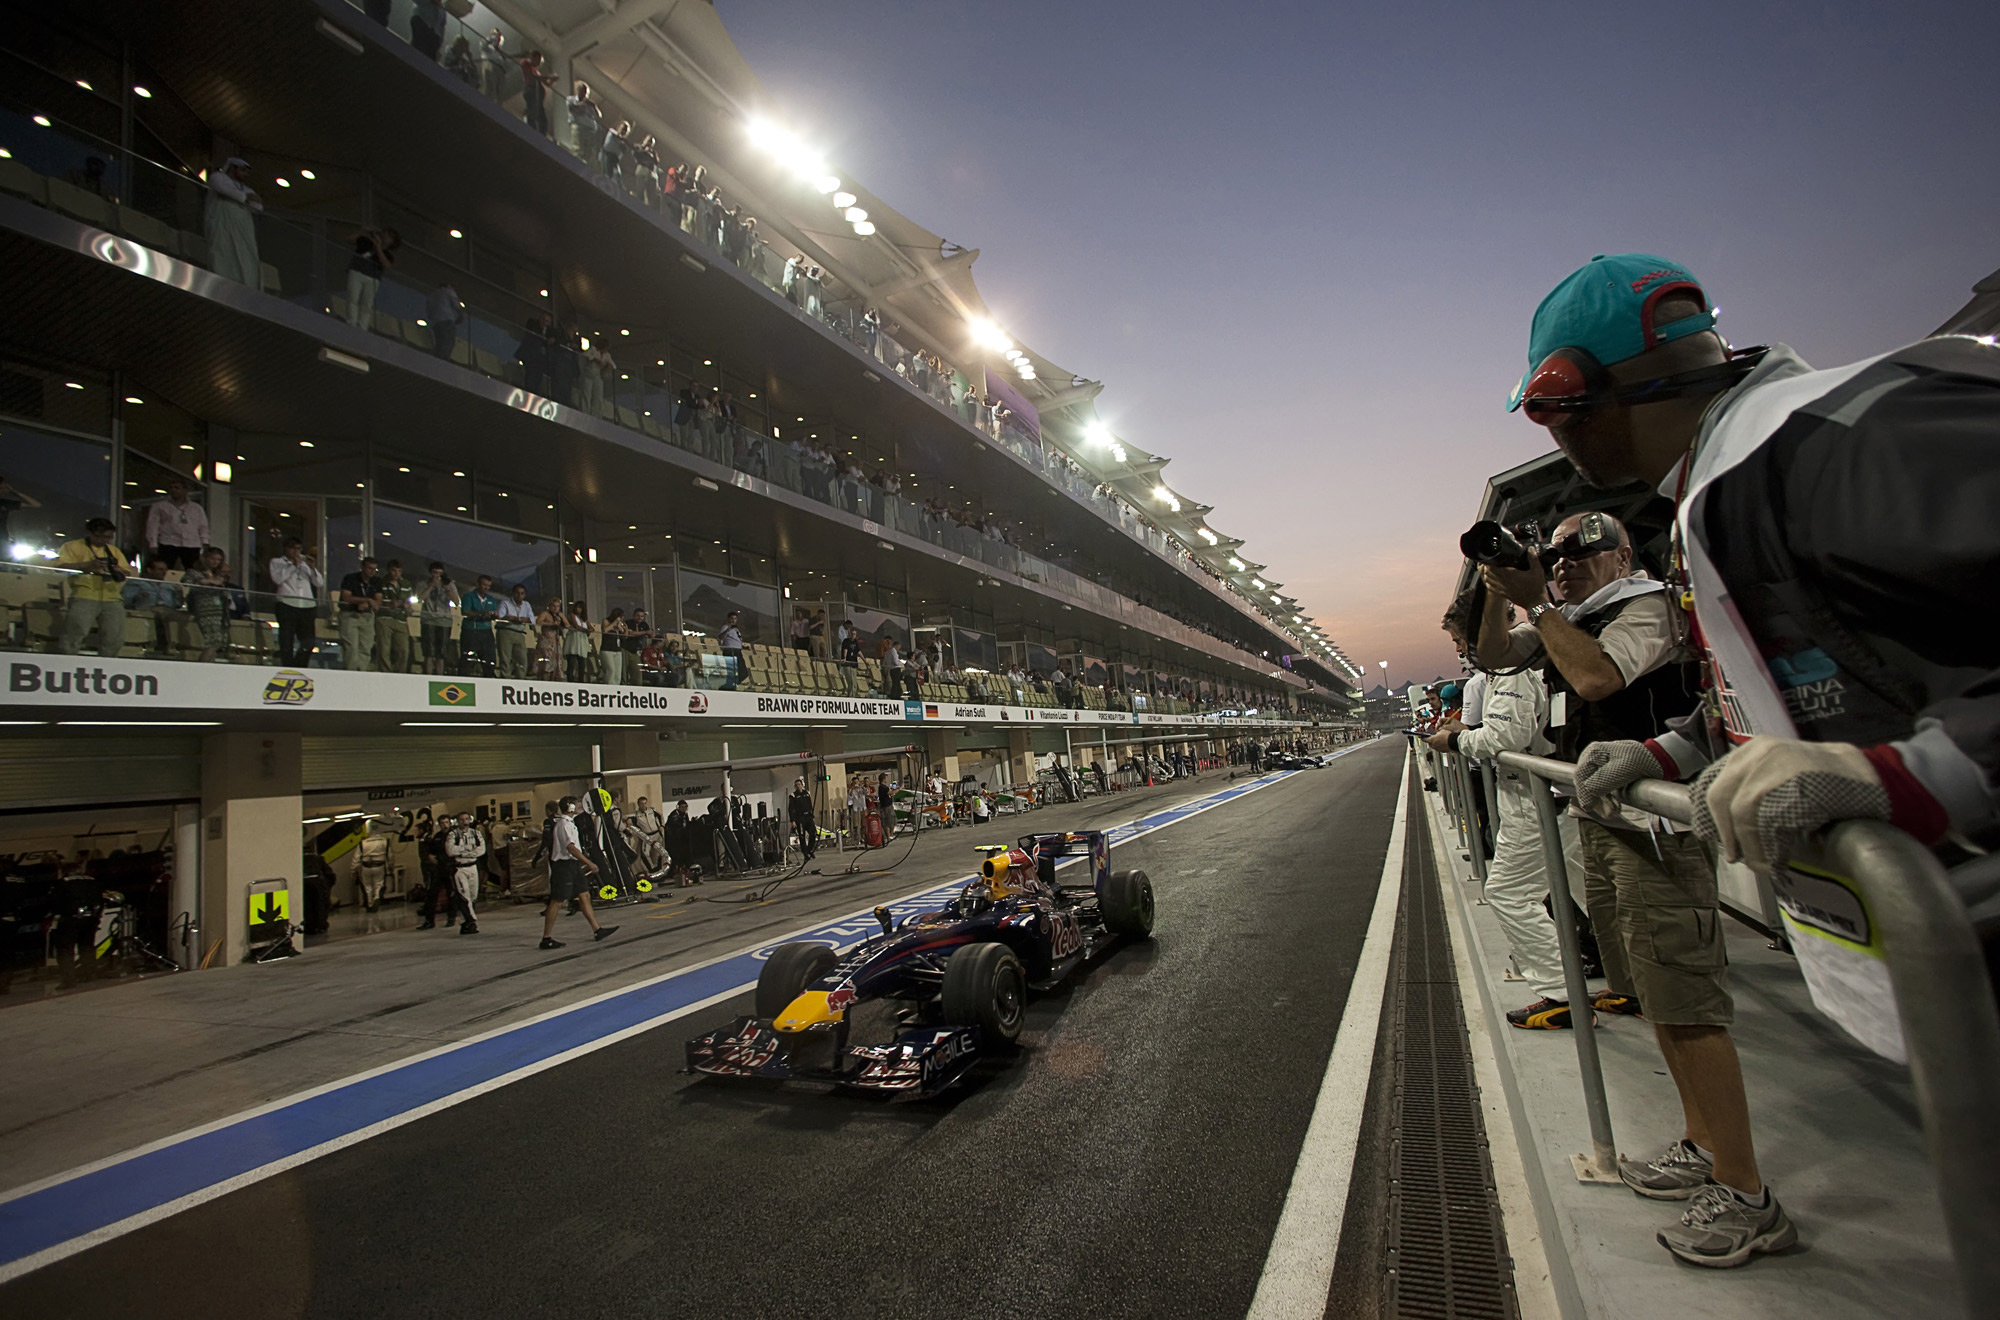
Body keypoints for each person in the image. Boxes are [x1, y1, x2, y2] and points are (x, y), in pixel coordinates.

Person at [1477, 508, 1768, 1258]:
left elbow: (1598, 677)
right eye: (1555, 554)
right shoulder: (1571, 617)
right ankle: (1702, 1143)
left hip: (1656, 830)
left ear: (1623, 554)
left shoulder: (1646, 606)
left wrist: (1541, 606)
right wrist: (1499, 592)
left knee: (1688, 1003)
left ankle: (1747, 1192)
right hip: (1606, 820)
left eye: (1582, 550)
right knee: (1652, 994)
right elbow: (1492, 655)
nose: (1564, 563)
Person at [1427, 588, 1577, 1028]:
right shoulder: (1509, 664)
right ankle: (1598, 980)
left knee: (1509, 893)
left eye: (1460, 639)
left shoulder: (1513, 664)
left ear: (1481, 630)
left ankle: (1560, 991)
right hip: (1543, 792)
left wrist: (1455, 740)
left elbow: (1504, 737)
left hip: (1537, 797)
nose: (1460, 649)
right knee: (1574, 890)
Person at [541, 796, 618, 950]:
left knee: (584, 895)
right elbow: (570, 848)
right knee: (557, 900)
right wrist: (588, 863)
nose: (579, 806)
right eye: (576, 804)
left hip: (573, 865)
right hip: (564, 867)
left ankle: (597, 930)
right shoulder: (564, 825)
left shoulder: (570, 823)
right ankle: (546, 938)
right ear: (569, 807)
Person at [56, 518, 130, 657]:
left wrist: (118, 570)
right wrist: (86, 566)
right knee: (75, 631)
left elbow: (126, 571)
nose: (105, 540)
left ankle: (108, 664)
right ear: (90, 533)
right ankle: (66, 661)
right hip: (84, 593)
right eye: (101, 536)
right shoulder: (72, 546)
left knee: (114, 636)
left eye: (108, 537)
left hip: (112, 596)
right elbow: (60, 567)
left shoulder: (113, 550)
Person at [204, 157, 263, 288]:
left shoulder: (246, 189)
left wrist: (247, 197)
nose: (246, 174)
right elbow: (223, 189)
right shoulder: (218, 177)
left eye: (247, 172)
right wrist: (245, 198)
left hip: (243, 229)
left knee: (246, 257)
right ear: (232, 168)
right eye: (243, 170)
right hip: (221, 224)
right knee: (222, 252)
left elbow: (257, 206)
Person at [268, 535, 322, 666]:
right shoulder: (277, 562)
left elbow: (319, 583)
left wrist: (312, 568)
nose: (296, 552)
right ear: (286, 549)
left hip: (307, 604)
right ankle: (287, 665)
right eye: (292, 548)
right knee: (287, 638)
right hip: (287, 603)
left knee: (308, 641)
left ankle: (300, 665)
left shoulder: (305, 564)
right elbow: (278, 579)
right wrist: (293, 565)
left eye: (298, 549)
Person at [182, 546, 238, 663]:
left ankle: (209, 664)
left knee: (220, 641)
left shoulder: (218, 575)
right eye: (212, 558)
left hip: (220, 609)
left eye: (218, 560)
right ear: (205, 558)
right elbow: (186, 582)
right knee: (213, 640)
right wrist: (208, 581)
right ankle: (202, 666)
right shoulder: (194, 572)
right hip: (205, 608)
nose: (215, 562)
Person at [142, 478, 209, 571]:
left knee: (192, 570)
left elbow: (203, 526)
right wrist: (153, 544)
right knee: (165, 569)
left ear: (185, 490)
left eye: (177, 488)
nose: (173, 490)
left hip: (191, 543)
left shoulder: (196, 508)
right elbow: (152, 525)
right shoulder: (160, 506)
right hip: (168, 542)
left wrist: (205, 541)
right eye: (171, 488)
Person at [343, 227, 401, 332]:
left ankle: (362, 327)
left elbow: (386, 265)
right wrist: (363, 232)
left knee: (366, 303)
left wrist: (378, 247)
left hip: (372, 278)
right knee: (353, 298)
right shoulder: (366, 242)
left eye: (389, 236)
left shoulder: (388, 255)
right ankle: (351, 323)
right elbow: (349, 239)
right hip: (357, 272)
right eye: (385, 233)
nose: (385, 236)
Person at [336, 555, 383, 672]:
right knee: (351, 647)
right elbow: (346, 597)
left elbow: (378, 600)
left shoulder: (376, 581)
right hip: (350, 615)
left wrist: (371, 604)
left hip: (367, 617)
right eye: (369, 568)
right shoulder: (350, 578)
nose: (372, 572)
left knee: (366, 646)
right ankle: (351, 671)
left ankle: (362, 671)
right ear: (362, 567)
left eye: (374, 569)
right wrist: (366, 600)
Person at [442, 810, 485, 935]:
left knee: (473, 895)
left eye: (466, 819)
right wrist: (469, 849)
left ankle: (465, 921)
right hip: (460, 868)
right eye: (462, 819)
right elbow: (450, 851)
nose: (464, 822)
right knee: (464, 895)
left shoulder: (476, 833)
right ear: (457, 821)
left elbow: (481, 850)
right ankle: (471, 922)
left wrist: (462, 852)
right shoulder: (452, 835)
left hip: (473, 867)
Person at [459, 574, 503, 676]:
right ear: (478, 584)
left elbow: (495, 613)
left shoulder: (491, 599)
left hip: (486, 630)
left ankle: (489, 678)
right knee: (468, 658)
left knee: (489, 658)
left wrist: (494, 615)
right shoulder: (468, 596)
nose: (486, 588)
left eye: (488, 586)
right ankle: (464, 678)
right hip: (471, 630)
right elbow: (465, 611)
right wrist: (481, 614)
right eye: (484, 585)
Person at [419, 562, 458, 675]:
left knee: (442, 652)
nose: (437, 576)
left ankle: (439, 675)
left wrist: (446, 588)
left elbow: (456, 601)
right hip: (429, 619)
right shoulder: (424, 583)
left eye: (440, 573)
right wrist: (431, 585)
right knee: (429, 651)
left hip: (444, 620)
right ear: (430, 573)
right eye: (435, 573)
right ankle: (428, 674)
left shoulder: (449, 584)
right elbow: (420, 598)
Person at [375, 560, 413, 674]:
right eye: (394, 570)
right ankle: (385, 672)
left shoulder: (406, 584)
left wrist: (406, 605)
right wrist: (389, 604)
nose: (396, 573)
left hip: (401, 619)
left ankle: (400, 672)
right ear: (388, 570)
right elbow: (377, 601)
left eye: (399, 571)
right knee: (384, 648)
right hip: (384, 617)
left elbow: (409, 600)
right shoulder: (381, 583)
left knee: (404, 650)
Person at [496, 583, 535, 678]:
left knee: (522, 658)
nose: (519, 595)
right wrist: (519, 619)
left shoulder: (526, 605)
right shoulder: (505, 603)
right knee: (505, 658)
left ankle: (520, 679)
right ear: (513, 593)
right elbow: (501, 617)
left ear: (524, 595)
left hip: (520, 633)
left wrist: (515, 618)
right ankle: (505, 678)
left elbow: (532, 620)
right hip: (506, 631)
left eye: (522, 593)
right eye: (517, 593)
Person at [627, 795, 667, 874]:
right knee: (645, 853)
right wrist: (628, 821)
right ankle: (652, 869)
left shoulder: (652, 810)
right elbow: (626, 818)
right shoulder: (636, 814)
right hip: (647, 836)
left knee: (658, 853)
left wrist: (662, 826)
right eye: (641, 804)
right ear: (638, 804)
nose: (643, 805)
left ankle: (659, 870)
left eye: (645, 803)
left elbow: (660, 816)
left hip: (656, 834)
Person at [518, 50, 553, 137]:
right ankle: (530, 128)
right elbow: (535, 77)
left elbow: (547, 83)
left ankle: (541, 133)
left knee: (541, 115)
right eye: (538, 60)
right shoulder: (526, 64)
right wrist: (548, 77)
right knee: (531, 110)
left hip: (538, 94)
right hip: (531, 90)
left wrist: (552, 79)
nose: (539, 63)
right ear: (533, 58)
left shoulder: (536, 71)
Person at [427, 282, 465, 362]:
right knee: (448, 341)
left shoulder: (432, 295)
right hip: (447, 320)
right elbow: (456, 305)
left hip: (436, 322)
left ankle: (438, 358)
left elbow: (429, 313)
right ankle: (444, 359)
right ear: (448, 286)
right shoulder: (448, 291)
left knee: (439, 341)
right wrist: (461, 315)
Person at [534, 595, 565, 678]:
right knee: (546, 659)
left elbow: (567, 624)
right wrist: (551, 624)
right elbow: (538, 621)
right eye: (554, 606)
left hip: (555, 641)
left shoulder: (558, 616)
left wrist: (561, 618)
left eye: (558, 606)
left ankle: (553, 678)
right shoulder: (545, 614)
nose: (555, 608)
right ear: (550, 606)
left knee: (556, 661)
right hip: (546, 640)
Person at [562, 600, 593, 681]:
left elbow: (591, 628)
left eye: (579, 607)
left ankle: (580, 680)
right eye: (576, 607)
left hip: (582, 640)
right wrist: (586, 630)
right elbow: (576, 626)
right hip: (574, 639)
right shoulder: (572, 615)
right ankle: (570, 679)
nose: (577, 609)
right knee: (571, 662)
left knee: (582, 663)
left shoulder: (584, 619)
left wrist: (588, 630)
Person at [787, 776, 817, 859]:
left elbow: (810, 804)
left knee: (813, 833)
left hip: (808, 817)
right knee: (802, 836)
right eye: (796, 785)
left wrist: (811, 815)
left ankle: (809, 849)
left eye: (799, 784)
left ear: (802, 785)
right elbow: (791, 809)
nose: (798, 786)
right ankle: (805, 853)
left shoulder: (807, 793)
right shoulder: (793, 796)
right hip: (800, 818)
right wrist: (792, 821)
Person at [599, 609, 629, 684]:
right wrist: (614, 623)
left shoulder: (619, 625)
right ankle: (608, 686)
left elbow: (625, 636)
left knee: (617, 673)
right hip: (607, 649)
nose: (622, 619)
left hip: (617, 650)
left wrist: (626, 629)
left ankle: (616, 686)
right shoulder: (606, 621)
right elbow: (605, 630)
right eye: (621, 617)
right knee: (611, 670)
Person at [719, 610, 744, 690]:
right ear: (728, 619)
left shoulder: (736, 630)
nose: (733, 620)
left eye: (735, 618)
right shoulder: (726, 627)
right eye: (732, 618)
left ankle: (731, 685)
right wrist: (728, 630)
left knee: (743, 672)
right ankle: (728, 686)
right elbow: (720, 637)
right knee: (732, 670)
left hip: (738, 651)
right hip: (730, 651)